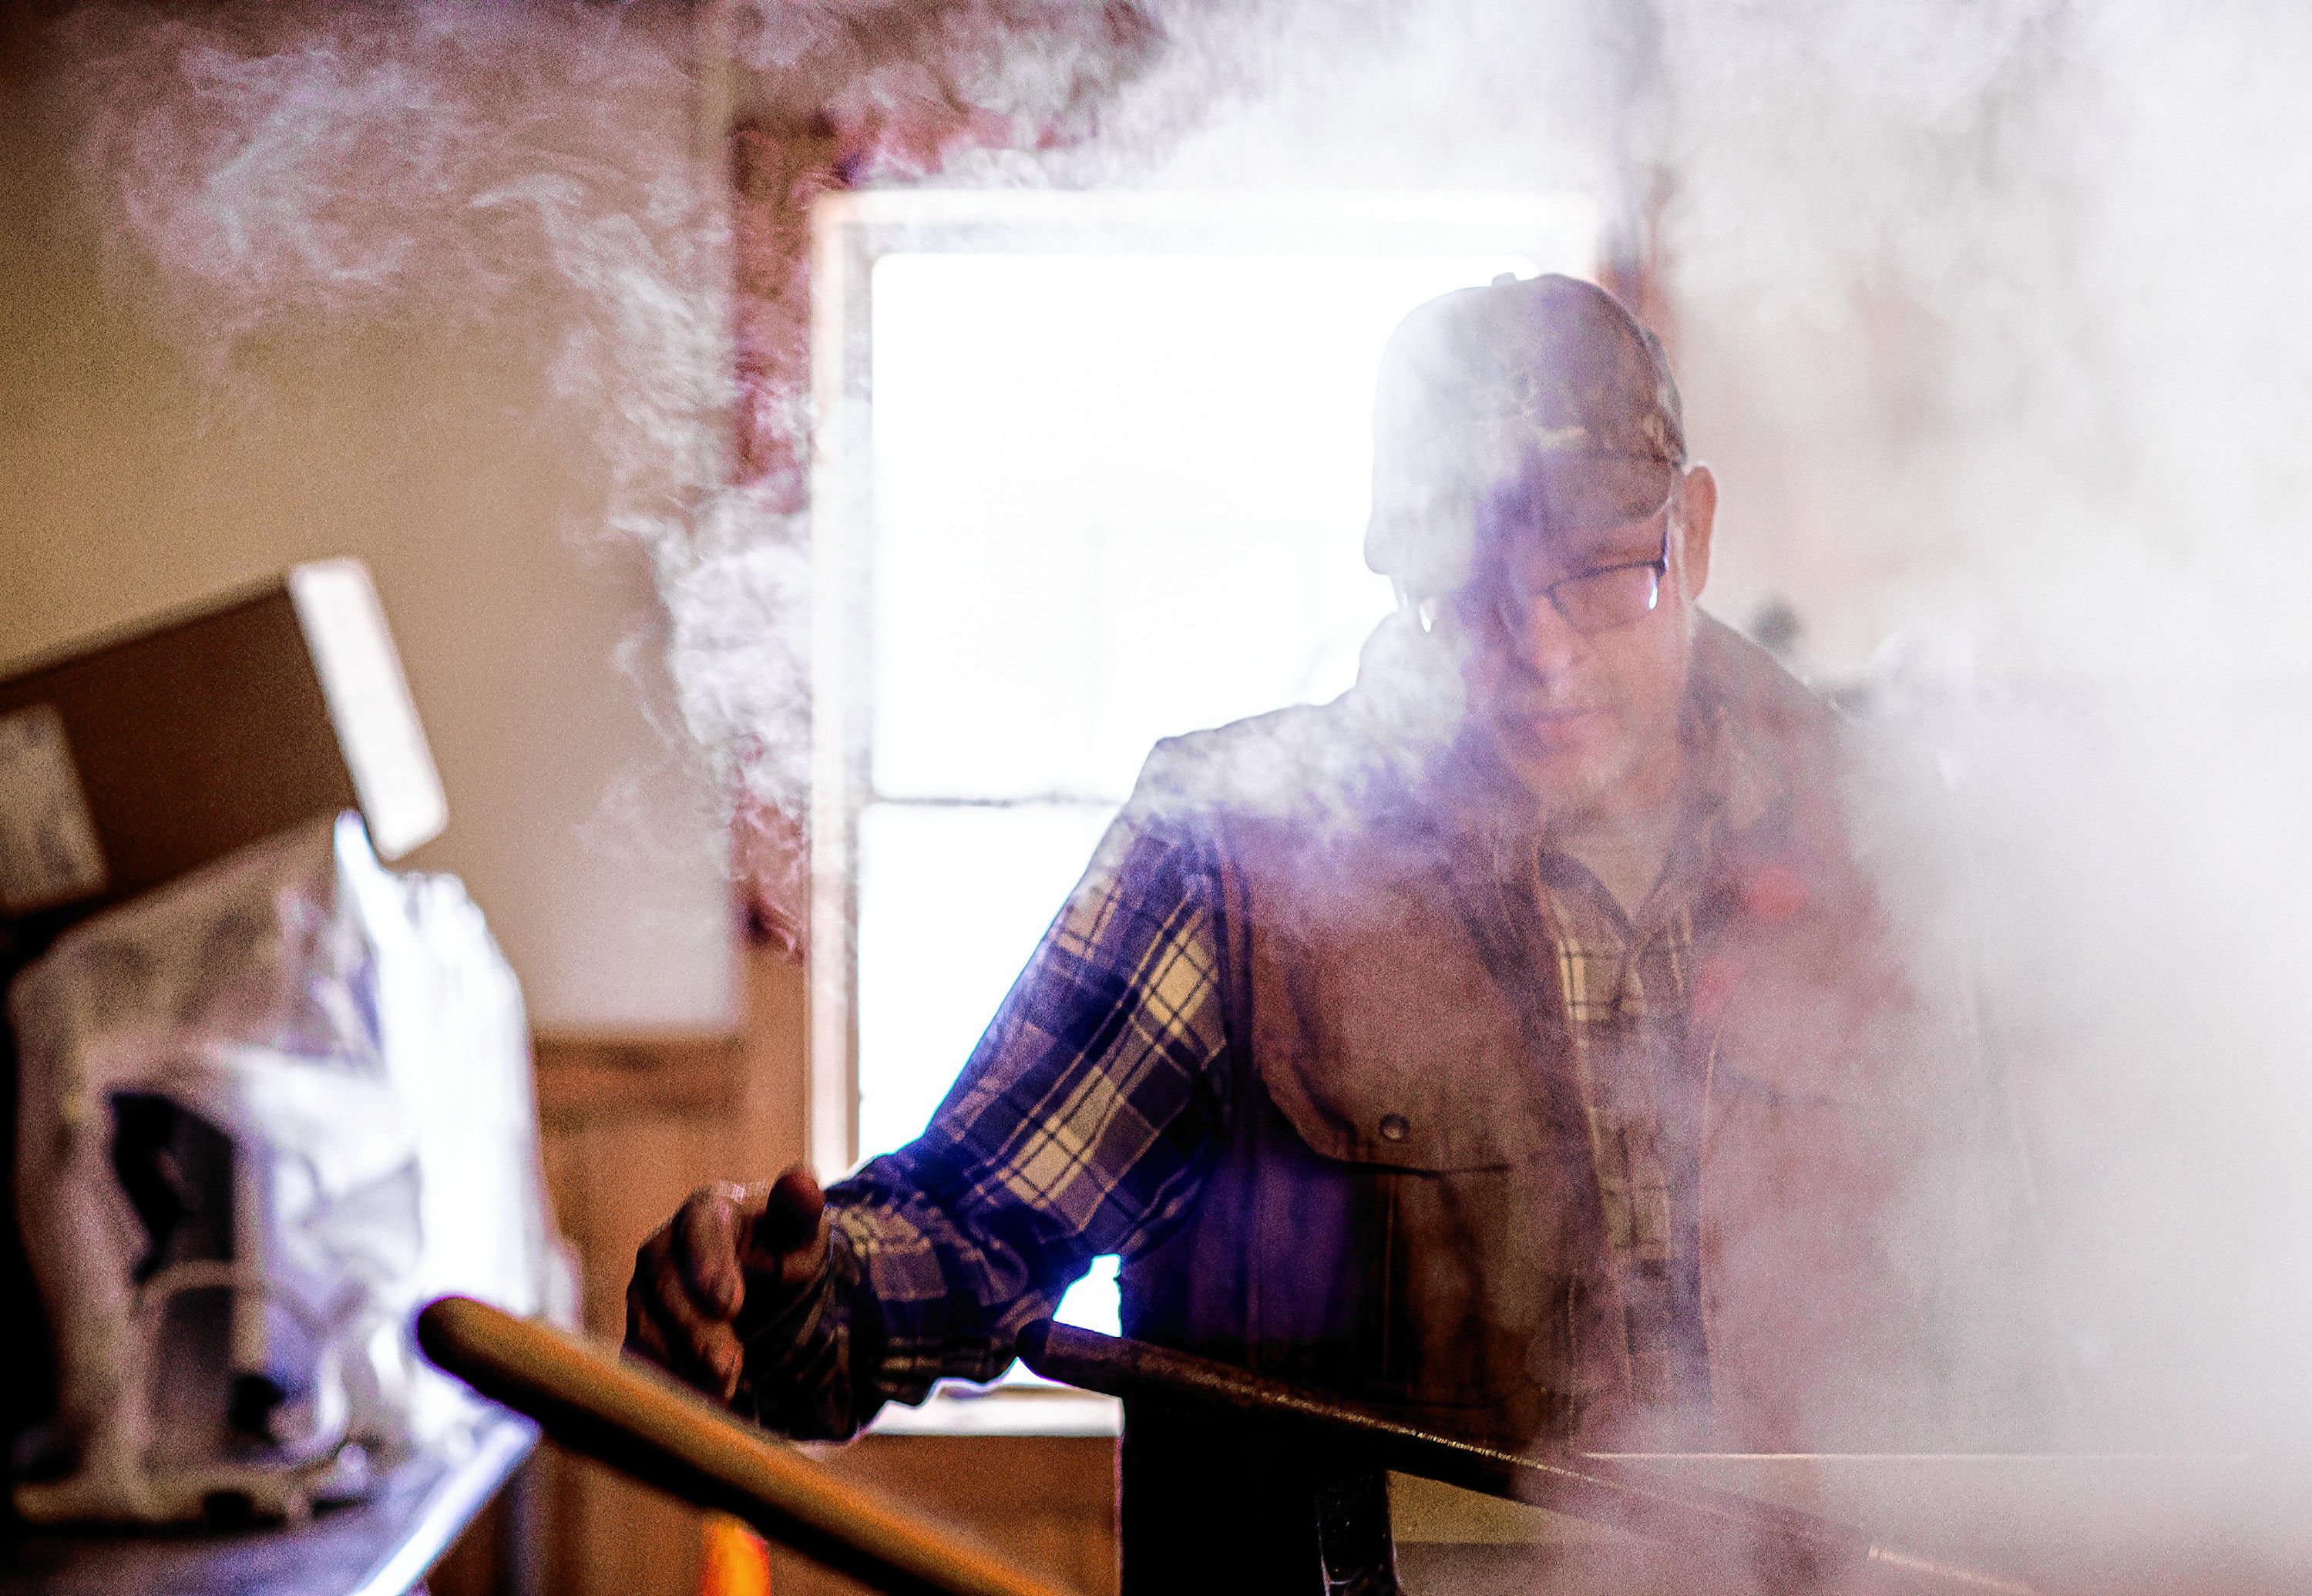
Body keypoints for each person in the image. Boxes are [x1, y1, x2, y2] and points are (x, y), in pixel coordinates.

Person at [626, 274, 2046, 1591]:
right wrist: (788, 1302)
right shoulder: (1242, 857)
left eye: (1603, 573)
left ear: (1702, 531)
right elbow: (963, 1232)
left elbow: (2006, 1334)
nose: (1540, 651)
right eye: (1471, 594)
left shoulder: (1876, 855)